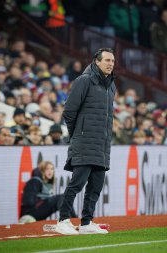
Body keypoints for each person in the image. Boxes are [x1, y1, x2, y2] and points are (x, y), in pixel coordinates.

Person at [55, 48, 116, 235]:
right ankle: (63, 220)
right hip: (84, 142)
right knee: (77, 184)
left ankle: (86, 222)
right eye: (106, 60)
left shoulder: (111, 85)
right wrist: (77, 134)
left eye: (113, 61)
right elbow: (69, 111)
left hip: (101, 144)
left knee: (96, 186)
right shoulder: (84, 80)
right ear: (96, 61)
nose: (110, 64)